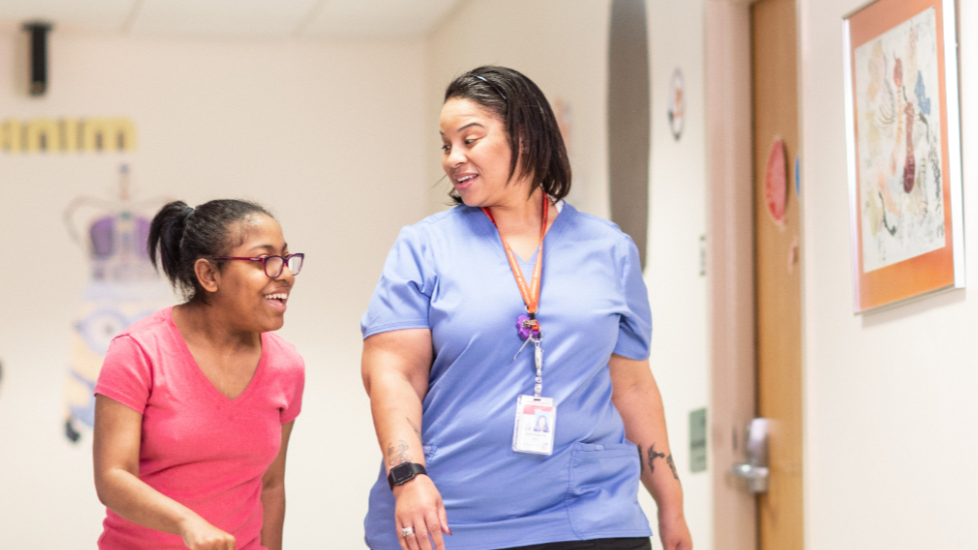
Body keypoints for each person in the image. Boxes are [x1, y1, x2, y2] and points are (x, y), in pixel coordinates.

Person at [360, 66, 693, 550]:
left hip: (590, 512)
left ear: (526, 136)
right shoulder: (425, 247)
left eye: (470, 139)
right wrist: (407, 476)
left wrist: (671, 504)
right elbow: (393, 373)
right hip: (454, 516)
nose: (453, 158)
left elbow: (632, 385)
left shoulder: (608, 249)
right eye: (446, 144)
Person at [92, 200, 306, 550]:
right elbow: (113, 478)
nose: (284, 273)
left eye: (285, 258)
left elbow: (271, 485)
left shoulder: (288, 365)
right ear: (208, 275)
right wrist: (187, 523)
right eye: (263, 260)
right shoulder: (138, 350)